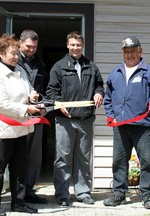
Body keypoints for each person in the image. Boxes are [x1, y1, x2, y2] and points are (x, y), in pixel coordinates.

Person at [103, 36, 150, 209]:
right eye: (126, 52)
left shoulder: (148, 71)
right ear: (123, 53)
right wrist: (111, 115)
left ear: (140, 51)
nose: (129, 55)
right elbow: (108, 98)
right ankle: (119, 194)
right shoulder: (115, 72)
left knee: (146, 161)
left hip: (143, 126)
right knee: (119, 161)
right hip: (120, 125)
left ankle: (146, 195)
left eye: (132, 51)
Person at [46, 31, 104, 206]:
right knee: (62, 156)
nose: (75, 48)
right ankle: (62, 194)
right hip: (65, 119)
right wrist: (58, 104)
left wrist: (98, 93)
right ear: (67, 45)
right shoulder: (59, 66)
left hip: (86, 119)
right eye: (72, 44)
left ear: (82, 45)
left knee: (84, 158)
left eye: (78, 45)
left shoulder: (91, 66)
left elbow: (99, 85)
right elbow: (51, 92)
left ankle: (83, 192)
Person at [0, 34, 41, 216]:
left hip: (21, 129)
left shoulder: (20, 70)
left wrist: (32, 96)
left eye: (17, 53)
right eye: (13, 53)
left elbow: (28, 89)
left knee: (19, 169)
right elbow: (1, 104)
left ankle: (18, 202)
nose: (17, 57)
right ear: (1, 53)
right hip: (2, 131)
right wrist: (27, 108)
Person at [18, 29, 48, 204]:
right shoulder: (12, 61)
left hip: (36, 115)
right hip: (17, 114)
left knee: (34, 156)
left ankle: (29, 190)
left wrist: (43, 103)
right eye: (28, 46)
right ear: (21, 43)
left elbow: (43, 89)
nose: (31, 50)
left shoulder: (40, 64)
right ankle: (17, 192)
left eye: (34, 47)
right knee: (17, 155)